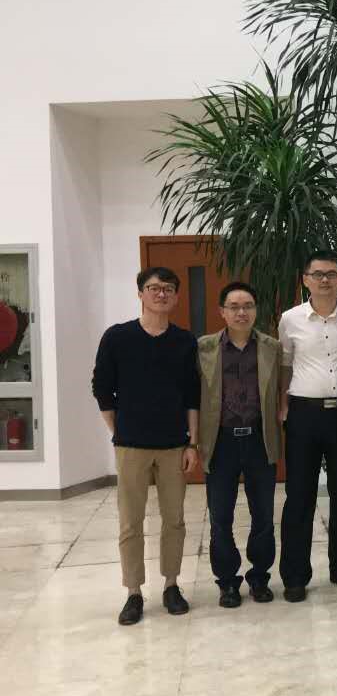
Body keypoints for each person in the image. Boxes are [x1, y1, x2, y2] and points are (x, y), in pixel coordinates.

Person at [92, 266, 199, 626]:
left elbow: (192, 396)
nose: (161, 293)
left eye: (168, 288)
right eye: (154, 288)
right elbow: (101, 388)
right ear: (140, 293)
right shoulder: (117, 337)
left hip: (173, 445)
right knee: (130, 522)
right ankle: (134, 592)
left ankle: (171, 585)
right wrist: (119, 430)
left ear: (176, 296)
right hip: (131, 446)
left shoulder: (184, 341)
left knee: (175, 520)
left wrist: (192, 443)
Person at [277, 250, 337, 603]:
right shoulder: (290, 320)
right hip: (304, 413)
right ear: (305, 280)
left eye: (331, 274)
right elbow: (285, 364)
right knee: (299, 495)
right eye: (317, 274)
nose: (324, 280)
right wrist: (283, 407)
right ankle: (295, 576)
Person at [196, 282, 283, 608]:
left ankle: (259, 577)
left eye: (247, 306)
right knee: (220, 518)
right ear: (222, 311)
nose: (241, 312)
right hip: (221, 442)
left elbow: (282, 388)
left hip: (260, 440)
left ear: (256, 310)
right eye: (234, 306)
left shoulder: (272, 347)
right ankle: (227, 582)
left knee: (263, 516)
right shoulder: (204, 348)